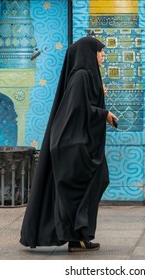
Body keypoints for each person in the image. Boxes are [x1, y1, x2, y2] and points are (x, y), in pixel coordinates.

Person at [20, 36, 118, 252]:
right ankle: (77, 236)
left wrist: (98, 95)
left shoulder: (86, 77)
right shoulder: (81, 76)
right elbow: (76, 110)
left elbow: (81, 104)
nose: (103, 55)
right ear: (89, 53)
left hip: (76, 143)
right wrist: (104, 113)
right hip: (74, 145)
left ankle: (78, 237)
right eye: (100, 51)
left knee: (87, 187)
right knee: (85, 187)